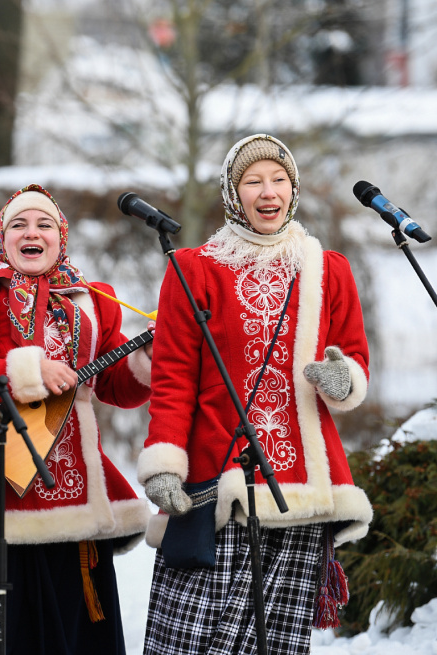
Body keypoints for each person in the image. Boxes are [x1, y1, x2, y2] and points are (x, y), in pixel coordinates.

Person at [137, 134, 373, 655]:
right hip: (215, 481)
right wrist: (163, 464)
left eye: (279, 180)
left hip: (300, 488)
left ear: (293, 189)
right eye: (253, 181)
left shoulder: (329, 268)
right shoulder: (193, 267)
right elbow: (173, 375)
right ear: (231, 192)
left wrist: (344, 378)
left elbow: (354, 356)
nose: (269, 192)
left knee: (279, 645)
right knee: (192, 638)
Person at [0, 184, 153, 655]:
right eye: (19, 225)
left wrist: (145, 361)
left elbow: (114, 386)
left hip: (74, 501)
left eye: (44, 225)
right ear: (1, 238)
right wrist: (28, 371)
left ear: (60, 237)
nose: (32, 233)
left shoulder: (96, 301)